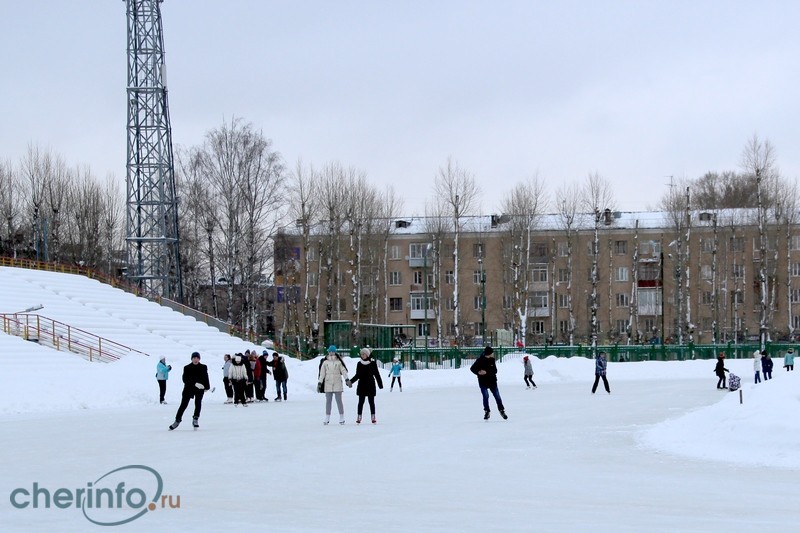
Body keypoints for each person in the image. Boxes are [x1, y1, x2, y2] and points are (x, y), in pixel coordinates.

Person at [169, 352, 211, 430]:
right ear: (191, 359)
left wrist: (207, 387)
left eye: (197, 358)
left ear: (199, 359)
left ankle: (195, 418)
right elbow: (185, 379)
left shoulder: (203, 367)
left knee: (198, 403)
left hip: (200, 389)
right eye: (194, 358)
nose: (196, 360)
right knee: (183, 404)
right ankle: (177, 420)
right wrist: (195, 383)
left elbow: (206, 377)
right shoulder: (187, 367)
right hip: (189, 388)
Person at [470, 346, 507, 420]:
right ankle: (487, 411)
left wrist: (486, 372)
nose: (492, 354)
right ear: (489, 353)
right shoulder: (480, 360)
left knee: (497, 396)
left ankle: (501, 410)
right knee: (485, 396)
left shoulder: (492, 360)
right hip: (483, 382)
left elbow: (495, 370)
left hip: (492, 381)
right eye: (492, 353)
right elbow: (472, 368)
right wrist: (478, 372)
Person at [318, 345, 351, 425]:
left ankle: (341, 416)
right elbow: (322, 373)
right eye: (330, 351)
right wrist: (320, 382)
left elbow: (343, 371)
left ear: (335, 352)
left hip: (337, 383)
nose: (331, 353)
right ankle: (327, 417)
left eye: (333, 351)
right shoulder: (325, 362)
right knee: (328, 401)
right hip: (328, 383)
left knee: (339, 401)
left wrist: (347, 379)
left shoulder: (339, 362)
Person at [350, 348, 383, 424]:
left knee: (371, 401)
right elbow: (357, 375)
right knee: (361, 402)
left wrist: (380, 384)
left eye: (364, 354)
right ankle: (359, 416)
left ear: (367, 355)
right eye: (361, 354)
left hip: (370, 384)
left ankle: (373, 416)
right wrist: (351, 381)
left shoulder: (372, 363)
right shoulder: (359, 364)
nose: (362, 355)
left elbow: (376, 374)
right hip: (362, 385)